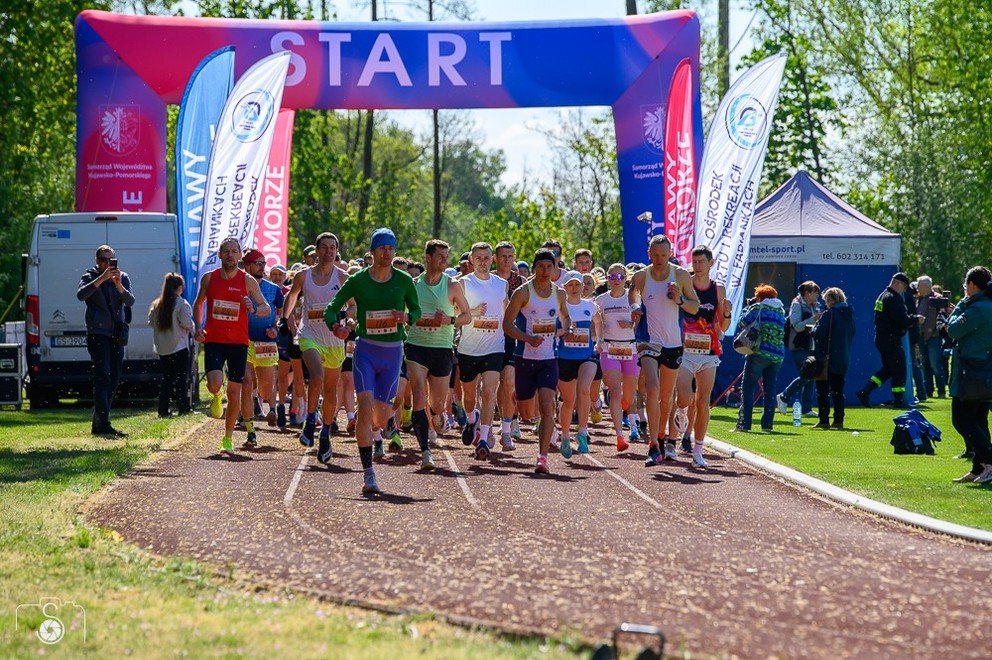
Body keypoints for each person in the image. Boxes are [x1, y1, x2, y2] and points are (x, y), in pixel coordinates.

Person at [323, 228, 421, 496]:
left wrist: (407, 317)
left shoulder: (403, 280)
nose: (387, 253)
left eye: (391, 248)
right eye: (382, 248)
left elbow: (417, 309)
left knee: (378, 418)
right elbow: (332, 307)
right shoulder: (357, 281)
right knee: (365, 410)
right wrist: (337, 327)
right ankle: (368, 474)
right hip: (366, 350)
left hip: (392, 352)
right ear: (374, 251)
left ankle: (385, 423)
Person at [193, 237, 272, 455]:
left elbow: (266, 308)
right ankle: (216, 395)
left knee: (235, 391)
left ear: (239, 256)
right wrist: (197, 328)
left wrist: (254, 309)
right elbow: (198, 303)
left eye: (233, 251)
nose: (229, 255)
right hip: (214, 340)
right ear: (219, 255)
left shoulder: (248, 281)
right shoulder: (209, 278)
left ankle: (227, 439)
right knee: (215, 384)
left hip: (238, 342)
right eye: (225, 251)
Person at [629, 234, 700, 465]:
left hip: (673, 343)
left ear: (670, 254)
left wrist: (679, 300)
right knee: (652, 387)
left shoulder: (679, 275)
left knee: (666, 397)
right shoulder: (642, 276)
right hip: (649, 340)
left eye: (663, 254)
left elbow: (694, 306)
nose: (659, 258)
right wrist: (634, 306)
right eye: (655, 254)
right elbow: (633, 292)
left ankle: (662, 437)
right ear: (649, 254)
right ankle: (652, 443)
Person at [281, 233, 350, 463]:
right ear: (317, 252)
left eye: (333, 248)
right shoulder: (303, 276)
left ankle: (326, 434)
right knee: (317, 377)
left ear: (336, 251)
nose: (329, 251)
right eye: (325, 248)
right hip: (309, 335)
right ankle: (310, 420)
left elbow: (354, 308)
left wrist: (349, 321)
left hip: (334, 340)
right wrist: (285, 318)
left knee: (330, 391)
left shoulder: (342, 277)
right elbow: (292, 297)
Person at [503, 248, 571, 474]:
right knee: (526, 413)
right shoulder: (523, 293)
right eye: (540, 266)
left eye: (548, 267)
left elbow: (566, 317)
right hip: (524, 357)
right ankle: (519, 397)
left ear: (554, 269)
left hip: (548, 359)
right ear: (534, 268)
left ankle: (542, 458)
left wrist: (564, 329)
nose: (544, 271)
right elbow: (507, 325)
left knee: (547, 405)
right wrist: (527, 338)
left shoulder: (559, 294)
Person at [406, 239, 471, 469]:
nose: (445, 260)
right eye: (440, 256)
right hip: (415, 346)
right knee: (418, 396)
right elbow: (406, 315)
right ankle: (425, 452)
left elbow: (467, 316)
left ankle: (436, 415)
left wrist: (449, 320)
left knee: (435, 404)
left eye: (446, 256)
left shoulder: (452, 285)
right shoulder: (413, 285)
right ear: (429, 258)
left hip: (442, 349)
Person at [675, 246, 731, 466]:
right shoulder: (684, 284)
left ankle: (698, 449)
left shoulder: (718, 289)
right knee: (685, 397)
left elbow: (723, 325)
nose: (697, 266)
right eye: (694, 262)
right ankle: (680, 411)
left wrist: (726, 312)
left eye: (701, 262)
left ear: (711, 263)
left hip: (708, 351)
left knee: (703, 402)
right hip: (685, 350)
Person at [457, 242, 510, 457]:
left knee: (489, 392)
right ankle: (471, 420)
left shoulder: (501, 284)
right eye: (478, 258)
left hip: (494, 347)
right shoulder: (462, 283)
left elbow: (505, 311)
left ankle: (485, 438)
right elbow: (455, 314)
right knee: (469, 397)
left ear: (492, 260)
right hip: (469, 347)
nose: (482, 262)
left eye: (486, 258)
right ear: (471, 260)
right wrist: (473, 311)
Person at [77, 244, 135, 437]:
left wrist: (118, 285)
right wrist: (102, 279)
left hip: (116, 334)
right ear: (97, 260)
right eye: (103, 259)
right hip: (98, 333)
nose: (107, 263)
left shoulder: (122, 277)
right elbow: (81, 295)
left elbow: (130, 301)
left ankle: (99, 422)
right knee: (103, 377)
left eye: (111, 260)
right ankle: (103, 425)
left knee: (115, 377)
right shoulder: (90, 276)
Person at [946, 266, 992, 483]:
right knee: (979, 420)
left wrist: (959, 307)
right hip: (984, 370)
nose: (965, 289)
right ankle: (978, 469)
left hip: (972, 371)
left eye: (966, 285)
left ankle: (989, 461)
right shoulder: (986, 305)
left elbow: (953, 329)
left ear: (973, 285)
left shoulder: (977, 308)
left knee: (962, 420)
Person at [556, 270, 603, 457]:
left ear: (583, 287)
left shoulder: (590, 306)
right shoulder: (560, 307)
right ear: (564, 288)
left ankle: (582, 432)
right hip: (565, 357)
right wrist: (563, 332)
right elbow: (553, 331)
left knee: (584, 389)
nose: (575, 288)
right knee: (568, 401)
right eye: (571, 285)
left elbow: (598, 322)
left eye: (578, 284)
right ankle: (566, 436)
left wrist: (599, 341)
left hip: (587, 356)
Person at [856, 272, 919, 408]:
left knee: (889, 369)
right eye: (904, 287)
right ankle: (898, 401)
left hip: (882, 338)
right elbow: (902, 319)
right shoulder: (893, 298)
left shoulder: (883, 296)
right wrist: (915, 319)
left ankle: (865, 391)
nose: (903, 291)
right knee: (899, 369)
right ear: (898, 284)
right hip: (891, 339)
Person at [241, 249, 284, 448]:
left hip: (266, 342)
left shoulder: (273, 289)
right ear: (247, 265)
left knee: (266, 389)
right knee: (247, 383)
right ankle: (250, 431)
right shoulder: (238, 286)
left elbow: (281, 313)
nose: (262, 266)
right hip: (243, 341)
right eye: (258, 263)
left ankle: (265, 403)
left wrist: (275, 328)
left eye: (263, 262)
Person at [596, 264, 639, 451]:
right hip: (609, 348)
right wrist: (598, 340)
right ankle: (620, 436)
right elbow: (596, 324)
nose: (616, 279)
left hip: (630, 348)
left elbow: (643, 321)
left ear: (626, 278)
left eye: (620, 276)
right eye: (612, 276)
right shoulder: (600, 300)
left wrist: (631, 323)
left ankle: (623, 407)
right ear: (607, 277)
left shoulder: (633, 296)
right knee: (615, 391)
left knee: (628, 397)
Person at [733, 285, 786, 432]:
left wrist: (747, 307)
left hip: (759, 353)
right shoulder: (781, 311)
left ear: (759, 297)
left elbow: (742, 322)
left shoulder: (758, 308)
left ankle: (744, 424)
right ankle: (767, 425)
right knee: (770, 390)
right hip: (777, 355)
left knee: (748, 388)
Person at [148, 273, 194, 418]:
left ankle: (163, 410)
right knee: (182, 377)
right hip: (179, 345)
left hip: (162, 347)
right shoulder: (181, 303)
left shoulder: (156, 304)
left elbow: (151, 323)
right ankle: (183, 407)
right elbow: (187, 323)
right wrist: (193, 327)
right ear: (179, 287)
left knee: (167, 378)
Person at [810, 287, 855, 430]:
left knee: (822, 390)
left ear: (831, 300)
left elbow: (819, 334)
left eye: (826, 301)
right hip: (843, 357)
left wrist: (813, 329)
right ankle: (838, 421)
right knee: (838, 391)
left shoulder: (829, 314)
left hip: (827, 358)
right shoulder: (849, 315)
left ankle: (824, 420)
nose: (826, 304)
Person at [775, 281, 821, 418]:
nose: (818, 295)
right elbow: (797, 326)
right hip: (799, 345)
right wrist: (814, 319)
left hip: (811, 345)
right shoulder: (797, 304)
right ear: (807, 293)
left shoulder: (813, 306)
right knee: (807, 374)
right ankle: (784, 396)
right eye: (815, 292)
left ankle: (806, 408)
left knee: (812, 375)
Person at [494, 242, 525, 443]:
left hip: (512, 336)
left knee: (509, 381)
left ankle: (510, 422)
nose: (507, 260)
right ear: (495, 258)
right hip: (489, 335)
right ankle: (499, 418)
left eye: (510, 256)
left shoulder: (521, 281)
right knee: (494, 383)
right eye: (503, 256)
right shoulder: (488, 279)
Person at [916, 276, 949, 398]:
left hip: (934, 336)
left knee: (935, 364)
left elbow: (942, 315)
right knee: (925, 365)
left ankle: (941, 391)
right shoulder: (918, 299)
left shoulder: (938, 298)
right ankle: (928, 391)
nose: (918, 288)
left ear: (926, 286)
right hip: (921, 336)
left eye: (919, 285)